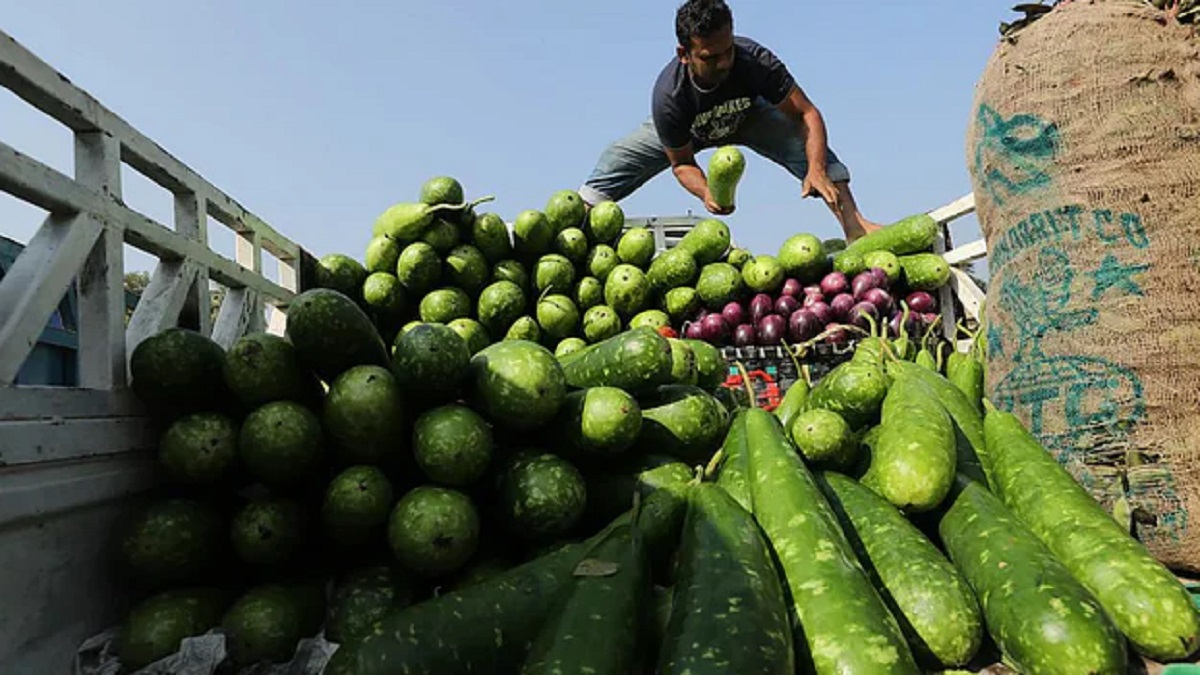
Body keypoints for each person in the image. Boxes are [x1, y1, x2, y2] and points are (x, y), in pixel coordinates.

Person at [577, 0, 882, 241]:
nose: (723, 63)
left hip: (750, 115)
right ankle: (572, 227)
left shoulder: (755, 60)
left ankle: (854, 227)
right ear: (685, 53)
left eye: (728, 51)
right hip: (692, 129)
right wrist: (707, 192)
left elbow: (807, 114)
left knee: (811, 149)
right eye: (710, 57)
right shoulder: (669, 96)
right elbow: (682, 164)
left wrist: (815, 169)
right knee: (616, 160)